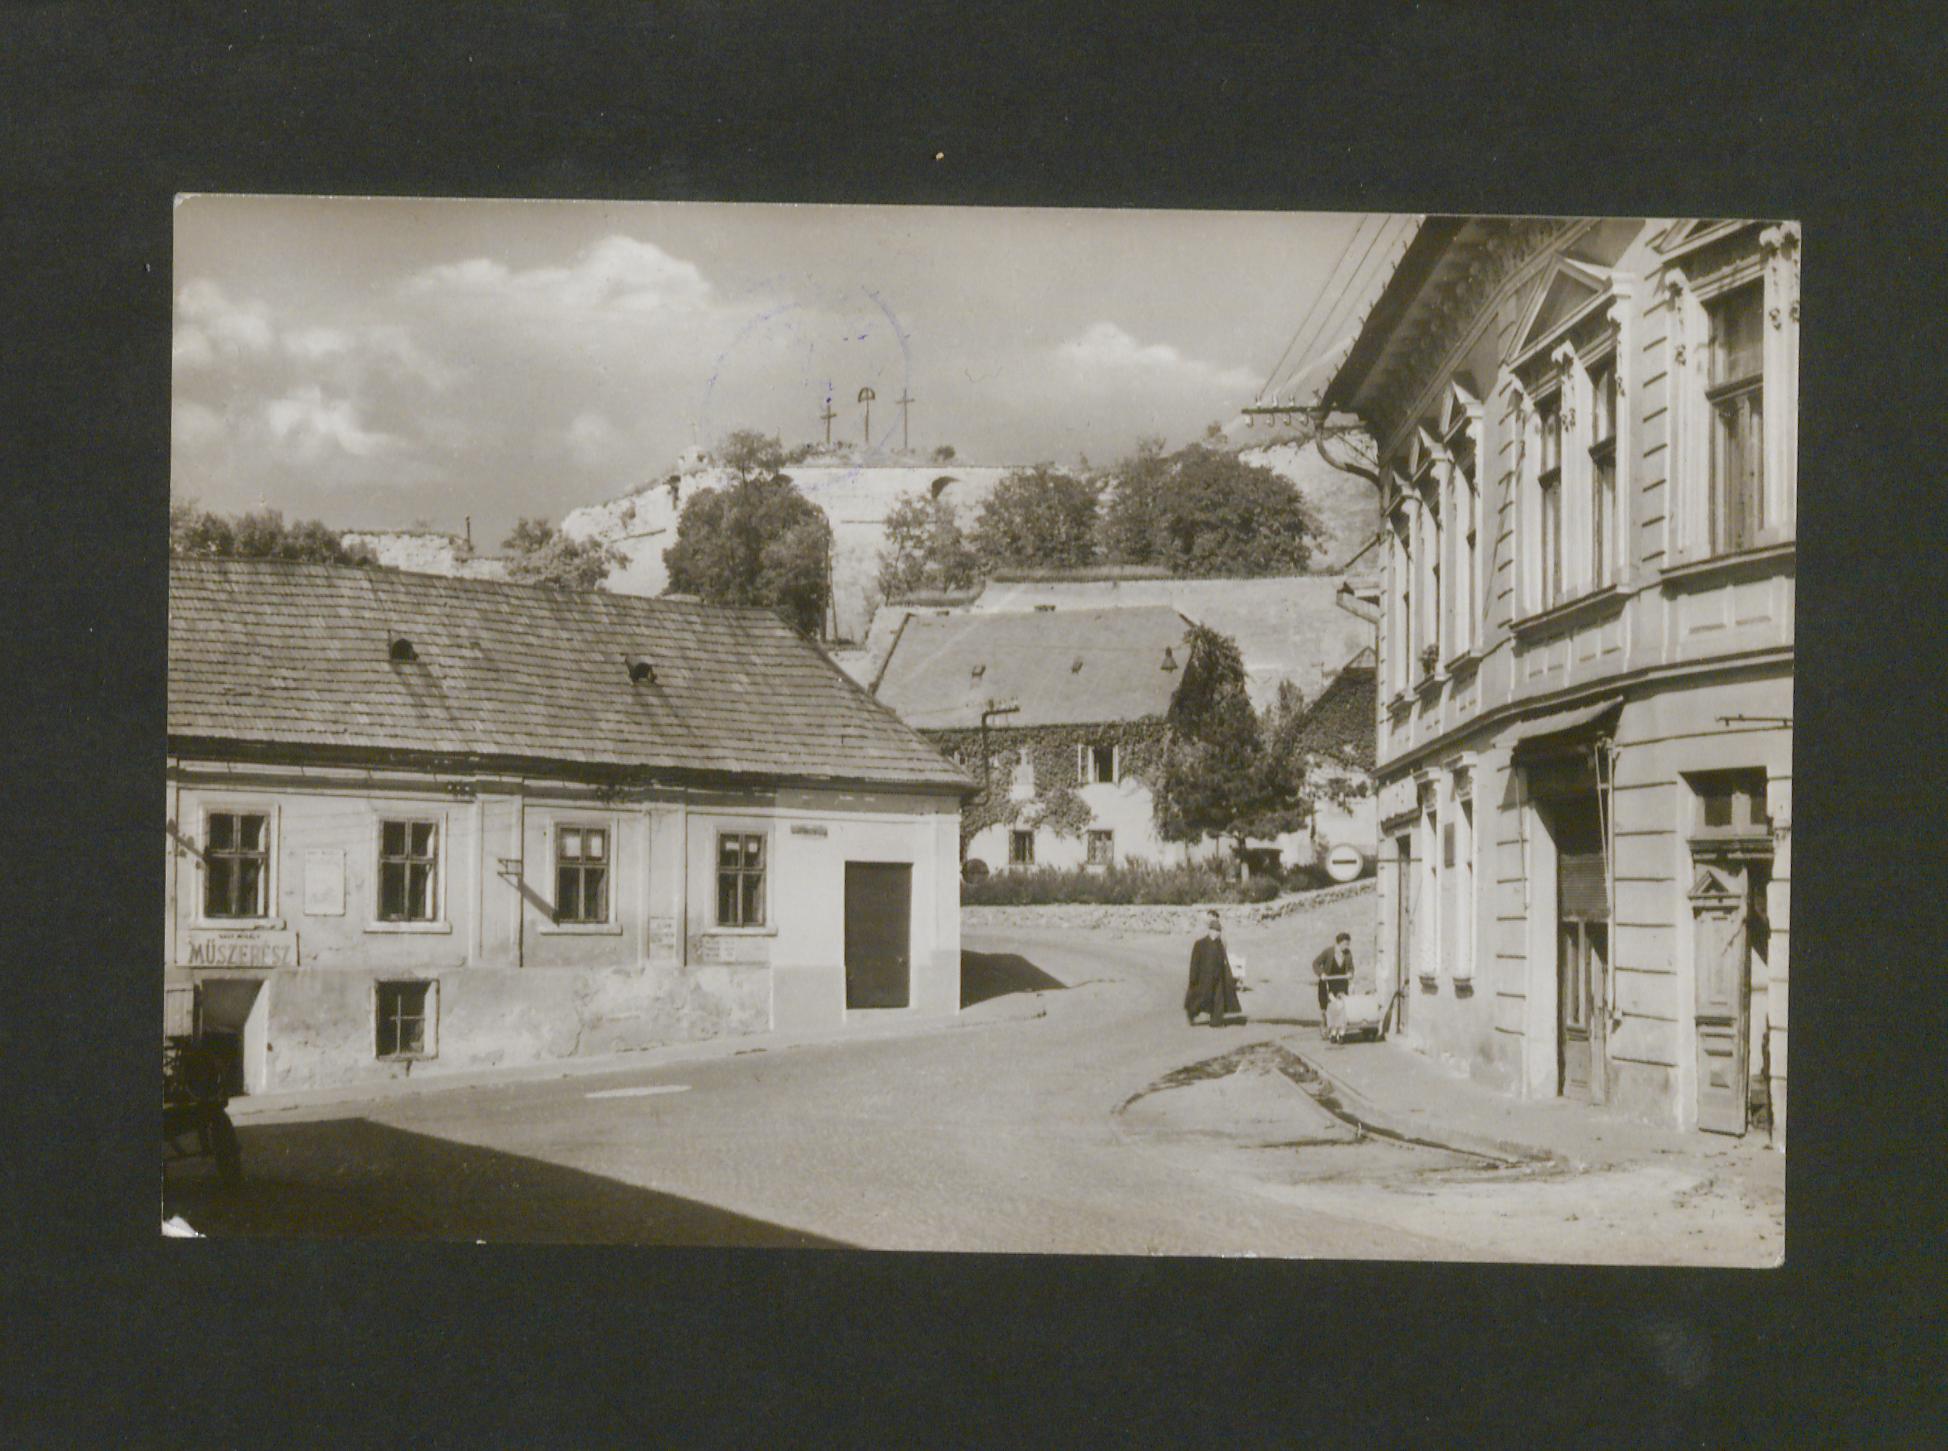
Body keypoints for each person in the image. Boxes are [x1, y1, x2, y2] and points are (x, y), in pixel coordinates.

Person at [1185, 911, 1242, 1027]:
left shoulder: (1219, 944)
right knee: (1202, 998)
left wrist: (1228, 976)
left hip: (1218, 976)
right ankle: (1192, 1012)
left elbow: (1224, 961)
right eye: (1215, 931)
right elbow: (1194, 962)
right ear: (1210, 931)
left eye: (1218, 931)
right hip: (1204, 978)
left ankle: (1216, 1021)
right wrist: (1193, 977)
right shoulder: (1200, 944)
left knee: (1218, 999)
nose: (1217, 934)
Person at [1312, 931, 1354, 1019]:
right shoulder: (1328, 952)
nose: (1347, 946)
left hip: (1341, 983)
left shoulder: (1348, 953)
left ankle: (1341, 1021)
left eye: (1348, 944)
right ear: (1339, 943)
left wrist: (1350, 973)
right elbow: (1315, 963)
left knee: (1342, 1003)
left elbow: (1351, 967)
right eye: (1345, 944)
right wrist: (1322, 974)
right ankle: (1325, 1019)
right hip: (1328, 982)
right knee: (1326, 1004)